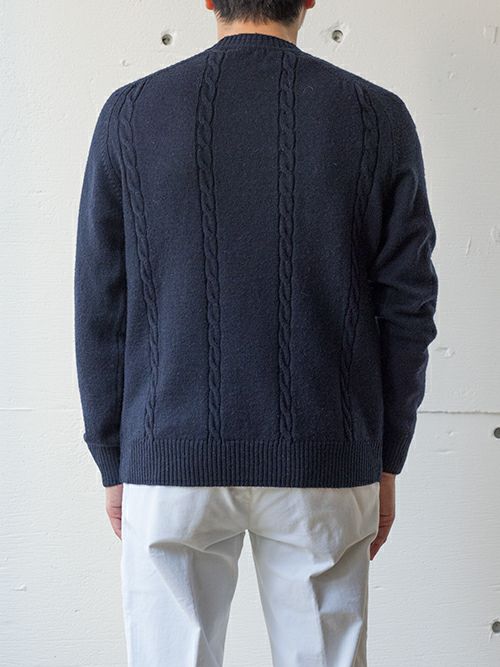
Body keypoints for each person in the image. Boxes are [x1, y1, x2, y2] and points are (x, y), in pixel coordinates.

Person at [73, 1, 439, 665]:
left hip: (169, 453)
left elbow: (101, 301)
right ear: (309, 0)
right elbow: (407, 305)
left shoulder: (130, 113)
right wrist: (387, 456)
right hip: (325, 458)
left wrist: (113, 456)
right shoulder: (376, 116)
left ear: (209, 0)